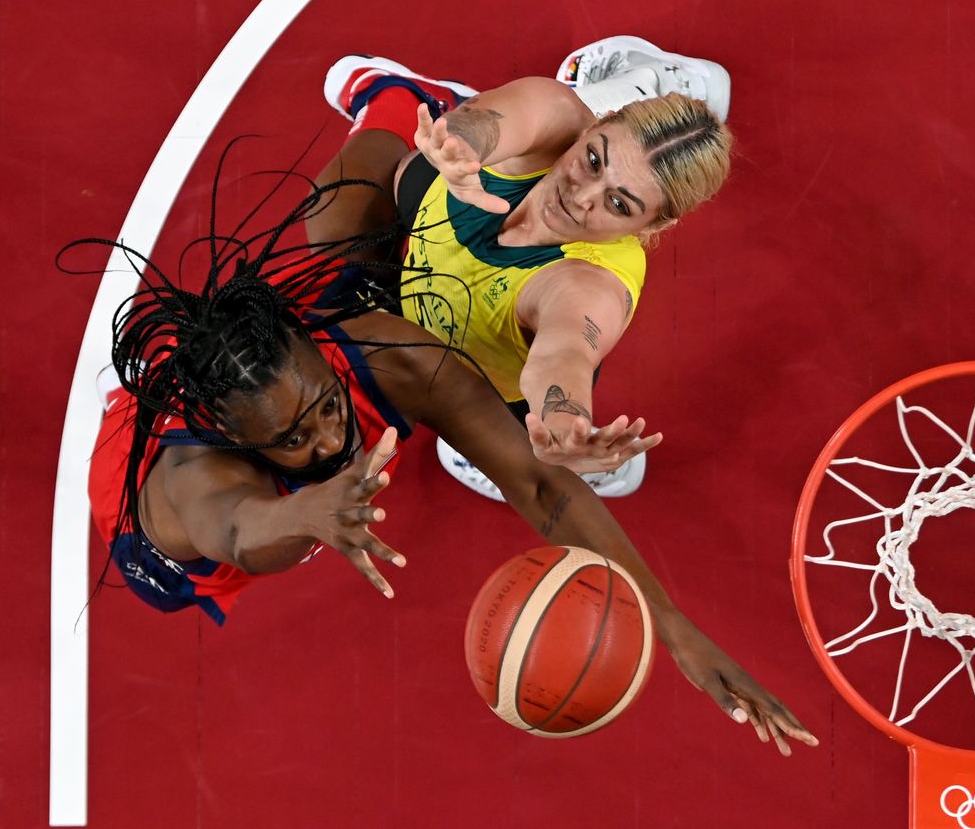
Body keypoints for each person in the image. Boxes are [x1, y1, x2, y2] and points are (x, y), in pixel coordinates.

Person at [71, 185, 814, 757]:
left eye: (328, 405)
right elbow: (237, 530)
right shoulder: (194, 478)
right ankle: (128, 398)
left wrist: (673, 628)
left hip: (306, 371)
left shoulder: (385, 354)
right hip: (157, 534)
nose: (330, 439)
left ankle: (382, 93)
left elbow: (539, 482)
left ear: (316, 350)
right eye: (294, 439)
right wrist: (308, 512)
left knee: (364, 222)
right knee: (179, 564)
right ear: (236, 435)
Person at [305, 37, 732, 501]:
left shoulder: (589, 285)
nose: (580, 196)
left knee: (506, 439)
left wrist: (565, 429)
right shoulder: (556, 115)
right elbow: (486, 124)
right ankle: (403, 97)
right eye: (592, 160)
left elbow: (563, 353)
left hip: (476, 374)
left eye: (618, 204)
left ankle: (526, 448)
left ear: (653, 225)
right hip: (426, 240)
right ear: (597, 125)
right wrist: (459, 148)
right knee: (334, 219)